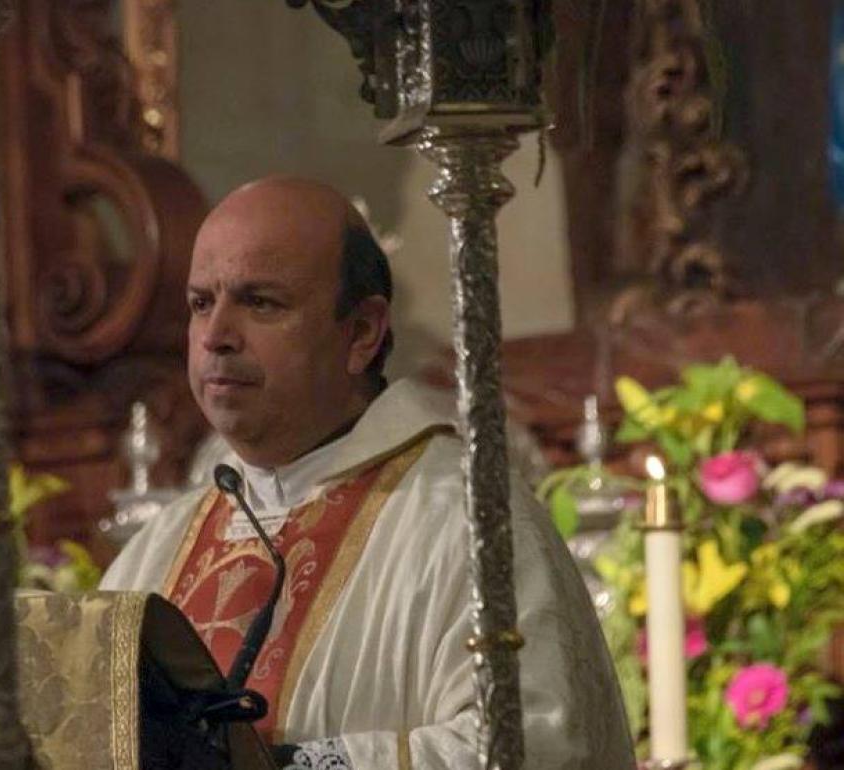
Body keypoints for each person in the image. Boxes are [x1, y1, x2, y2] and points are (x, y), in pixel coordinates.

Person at [100, 177, 636, 769]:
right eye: (202, 303)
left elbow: (533, 748)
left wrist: (289, 766)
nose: (217, 337)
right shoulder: (158, 550)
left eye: (260, 302)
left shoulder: (471, 525)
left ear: (361, 333)